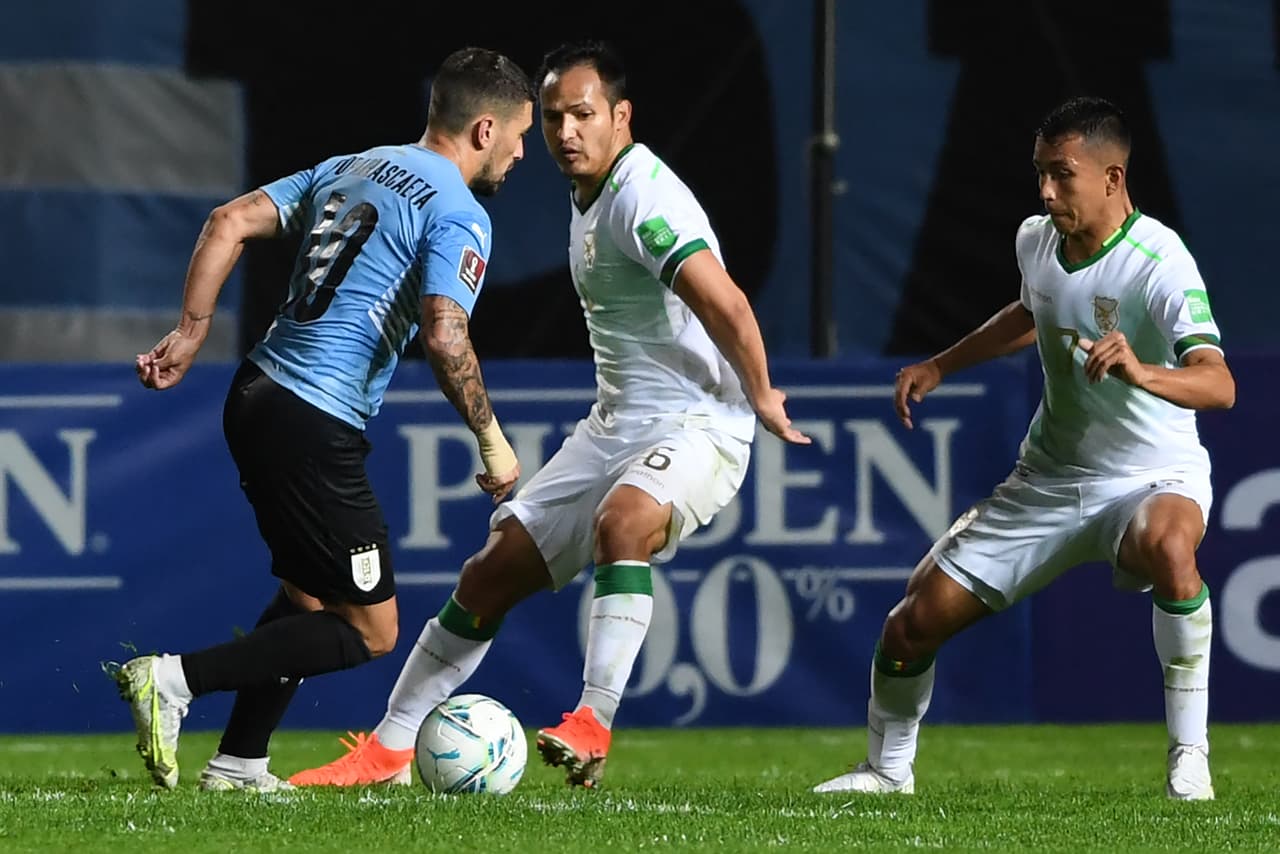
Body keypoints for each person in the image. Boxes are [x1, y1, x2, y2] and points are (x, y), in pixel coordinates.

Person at [290, 40, 809, 790]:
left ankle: (593, 720)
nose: (566, 133)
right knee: (488, 576)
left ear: (620, 116)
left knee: (622, 524)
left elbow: (724, 299)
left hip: (700, 422)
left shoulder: (642, 197)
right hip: (616, 424)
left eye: (584, 115)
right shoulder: (592, 194)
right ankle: (389, 750)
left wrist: (760, 395)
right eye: (556, 118)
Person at [111, 47, 534, 791]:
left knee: (309, 596)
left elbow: (229, 219)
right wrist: (493, 441)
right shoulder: (458, 212)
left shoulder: (355, 163)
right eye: (519, 135)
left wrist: (191, 330)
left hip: (256, 393)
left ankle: (240, 762)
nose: (522, 152)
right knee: (373, 629)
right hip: (313, 416)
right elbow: (445, 334)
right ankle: (173, 680)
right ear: (484, 129)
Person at [813, 96, 1234, 801]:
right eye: (1039, 172)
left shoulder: (1160, 262)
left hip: (1151, 475)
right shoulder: (1036, 240)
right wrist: (941, 364)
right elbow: (1031, 310)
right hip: (1050, 478)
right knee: (911, 624)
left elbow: (1218, 384)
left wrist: (1142, 371)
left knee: (1171, 550)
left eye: (1061, 174)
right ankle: (888, 771)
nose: (1045, 190)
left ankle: (1189, 756)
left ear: (1112, 177)